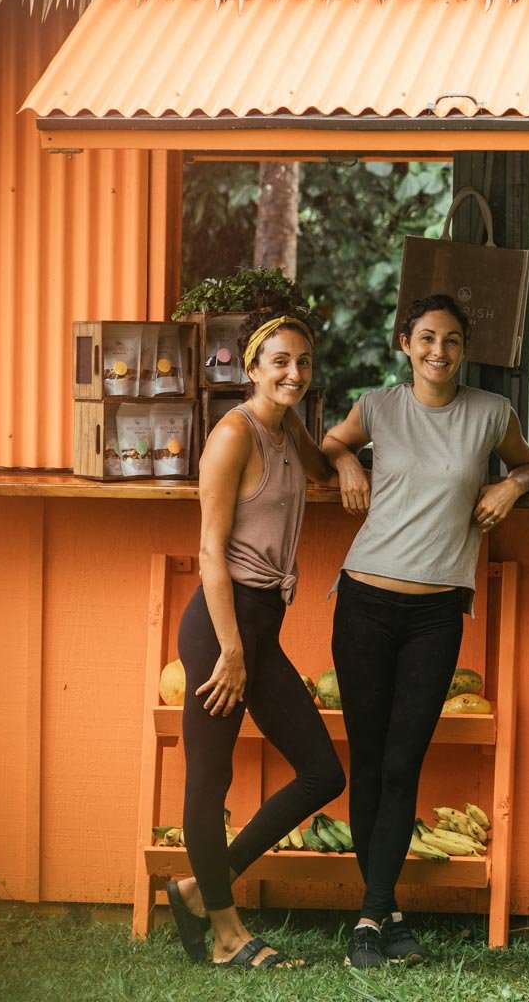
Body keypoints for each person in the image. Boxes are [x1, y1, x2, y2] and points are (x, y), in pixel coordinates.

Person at [319, 293, 529, 969]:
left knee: (401, 762)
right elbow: (332, 440)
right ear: (403, 344)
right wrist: (347, 461)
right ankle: (379, 914)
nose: (438, 351)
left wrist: (511, 487)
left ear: (462, 348)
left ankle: (373, 913)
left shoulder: (490, 414)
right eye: (425, 339)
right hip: (362, 601)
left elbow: (527, 463)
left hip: (436, 614)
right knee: (369, 756)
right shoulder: (380, 406)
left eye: (450, 340)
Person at [167, 308, 345, 969]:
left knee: (323, 772)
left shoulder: (287, 427)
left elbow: (322, 471)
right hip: (222, 628)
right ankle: (225, 934)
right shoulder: (234, 436)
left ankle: (193, 890)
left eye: (303, 362)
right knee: (209, 780)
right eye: (280, 362)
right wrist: (233, 652)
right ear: (251, 368)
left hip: (260, 626)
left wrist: (347, 464)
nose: (294, 373)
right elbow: (210, 552)